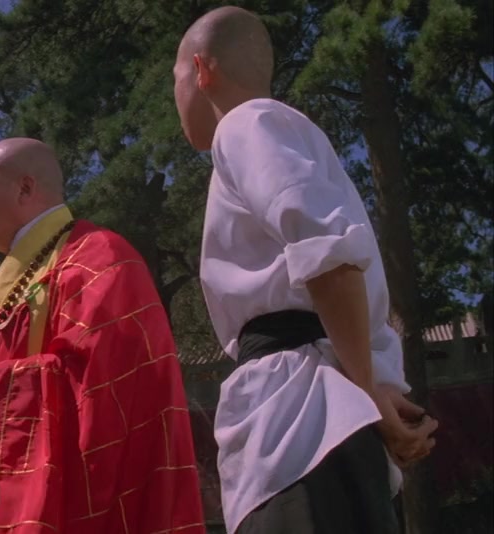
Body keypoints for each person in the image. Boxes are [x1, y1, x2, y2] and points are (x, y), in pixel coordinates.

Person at [171, 6, 439, 533]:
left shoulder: (245, 124)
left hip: (300, 421)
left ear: (201, 70)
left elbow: (327, 257)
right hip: (328, 409)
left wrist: (368, 393)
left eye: (174, 78)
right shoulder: (289, 139)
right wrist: (373, 388)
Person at [0, 138, 206, 533]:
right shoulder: (9, 281)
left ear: (24, 188)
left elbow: (112, 395)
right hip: (4, 498)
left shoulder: (98, 258)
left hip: (73, 503)